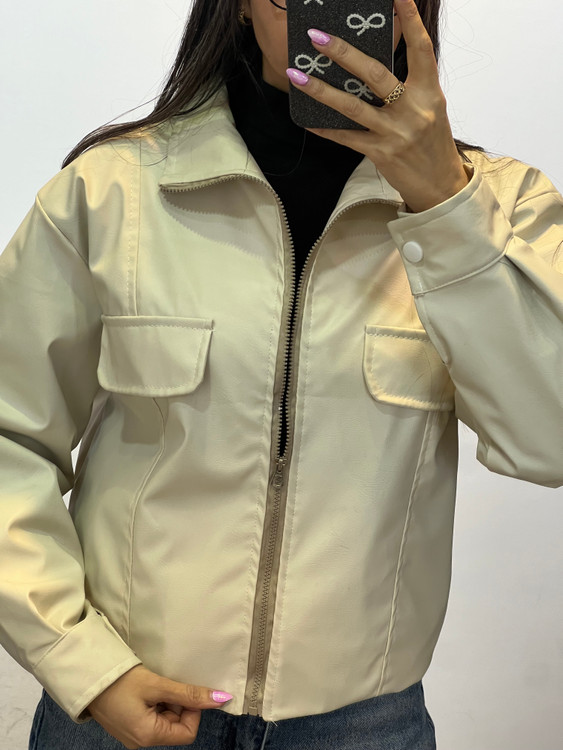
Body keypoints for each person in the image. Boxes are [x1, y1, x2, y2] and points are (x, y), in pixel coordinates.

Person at [1, 0, 562, 748]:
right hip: (124, 707)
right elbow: (9, 436)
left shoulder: (504, 208)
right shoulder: (113, 192)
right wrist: (81, 662)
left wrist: (444, 205)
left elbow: (549, 440)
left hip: (364, 726)